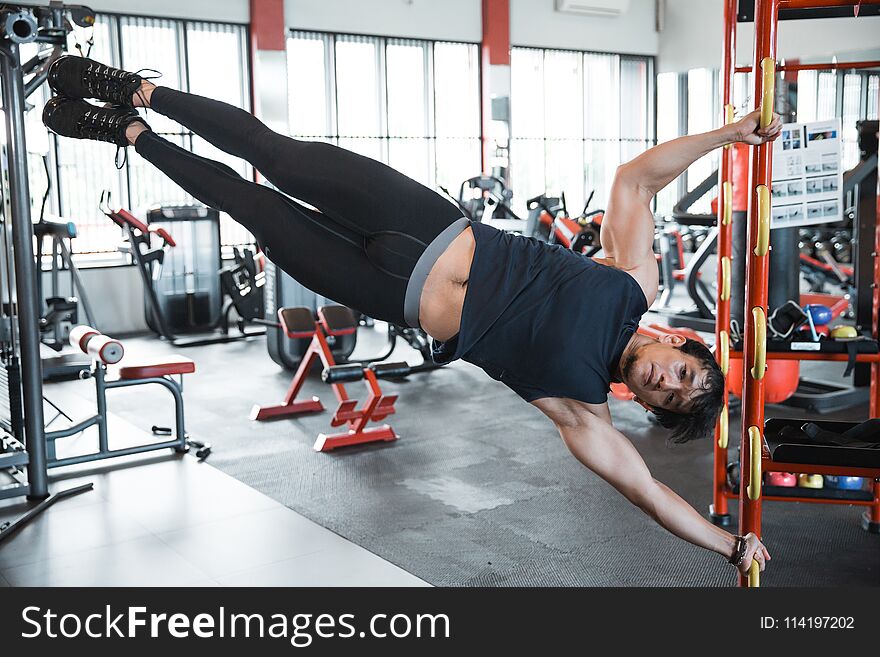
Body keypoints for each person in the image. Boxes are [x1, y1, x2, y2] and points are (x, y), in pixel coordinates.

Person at [42, 56, 780, 578]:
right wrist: (730, 134)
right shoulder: (631, 284)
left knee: (250, 205)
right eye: (682, 372)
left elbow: (650, 494)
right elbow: (635, 178)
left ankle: (128, 136)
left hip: (385, 292)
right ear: (677, 344)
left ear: (649, 404)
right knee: (277, 153)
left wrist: (728, 544)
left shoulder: (584, 412)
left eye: (670, 397)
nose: (665, 382)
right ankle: (136, 90)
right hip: (423, 220)